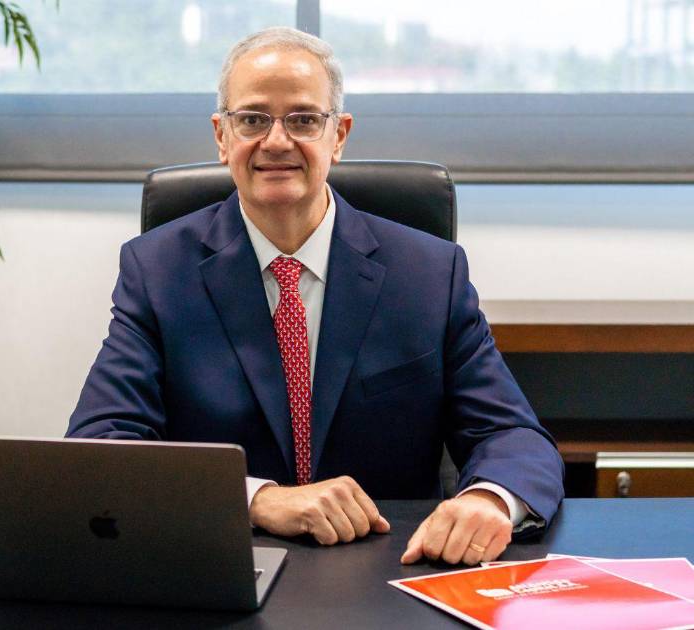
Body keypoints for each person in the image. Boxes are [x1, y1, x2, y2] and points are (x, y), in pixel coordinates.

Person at [67, 27, 564, 566]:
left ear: (339, 135)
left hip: (392, 567)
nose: (277, 141)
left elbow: (512, 435)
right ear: (222, 136)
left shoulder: (428, 273)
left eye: (303, 119)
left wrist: (489, 500)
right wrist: (257, 498)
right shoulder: (158, 271)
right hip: (223, 564)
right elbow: (100, 447)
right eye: (253, 119)